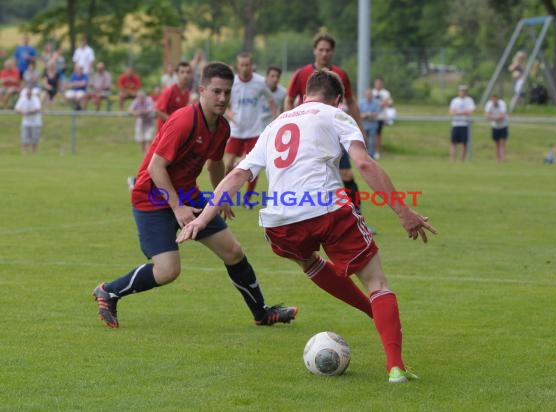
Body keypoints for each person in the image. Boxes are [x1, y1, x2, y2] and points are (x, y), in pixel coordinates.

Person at [177, 69, 437, 383]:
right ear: (338, 100)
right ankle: (395, 366)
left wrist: (203, 218)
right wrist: (403, 212)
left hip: (280, 222)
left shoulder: (275, 125)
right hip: (327, 209)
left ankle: (373, 310)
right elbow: (364, 163)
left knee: (308, 261)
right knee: (378, 283)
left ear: (303, 96)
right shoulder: (335, 115)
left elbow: (236, 176)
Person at [93, 61, 297, 329]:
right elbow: (156, 168)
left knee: (233, 252)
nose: (222, 98)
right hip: (152, 198)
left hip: (188, 196)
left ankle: (261, 313)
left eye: (227, 92)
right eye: (216, 91)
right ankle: (109, 291)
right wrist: (178, 208)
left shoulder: (222, 127)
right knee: (168, 271)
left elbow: (214, 164)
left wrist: (219, 197)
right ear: (202, 90)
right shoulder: (183, 121)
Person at [285, 32, 373, 233]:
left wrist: (360, 129)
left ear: (332, 52)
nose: (324, 53)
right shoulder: (301, 73)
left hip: (335, 133)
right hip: (307, 135)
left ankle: (357, 218)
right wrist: (288, 121)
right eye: (321, 49)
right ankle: (302, 218)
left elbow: (350, 102)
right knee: (308, 175)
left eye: (328, 50)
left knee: (347, 174)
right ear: (314, 51)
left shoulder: (340, 75)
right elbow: (290, 99)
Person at [128, 61, 194, 191]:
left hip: (175, 134)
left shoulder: (186, 93)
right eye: (182, 72)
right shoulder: (170, 91)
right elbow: (158, 110)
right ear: (177, 74)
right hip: (164, 134)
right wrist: (174, 122)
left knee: (170, 163)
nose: (185, 75)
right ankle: (136, 182)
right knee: (156, 163)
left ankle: (160, 187)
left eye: (188, 72)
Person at [223, 52, 277, 205]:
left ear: (251, 65)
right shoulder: (232, 82)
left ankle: (247, 199)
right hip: (236, 130)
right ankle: (224, 195)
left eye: (248, 65)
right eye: (242, 65)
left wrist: (276, 119)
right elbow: (222, 101)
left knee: (253, 165)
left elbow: (271, 101)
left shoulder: (260, 82)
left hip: (254, 131)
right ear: (237, 66)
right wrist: (228, 112)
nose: (245, 68)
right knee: (228, 164)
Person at [449, 85, 475, 161]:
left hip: (465, 125)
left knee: (464, 143)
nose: (462, 92)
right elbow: (451, 112)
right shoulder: (454, 100)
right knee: (453, 142)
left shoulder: (469, 100)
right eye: (461, 91)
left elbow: (470, 111)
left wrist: (459, 112)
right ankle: (452, 159)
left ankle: (462, 159)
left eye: (464, 91)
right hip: (456, 124)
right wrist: (462, 112)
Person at [15, 86, 42, 154]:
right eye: (27, 93)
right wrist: (22, 112)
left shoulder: (35, 99)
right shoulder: (22, 99)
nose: (28, 94)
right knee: (24, 138)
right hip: (26, 122)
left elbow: (38, 108)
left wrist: (29, 112)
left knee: (35, 138)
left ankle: (34, 152)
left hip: (36, 122)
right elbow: (17, 108)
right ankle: (25, 152)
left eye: (30, 92)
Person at [371, 77, 393, 159]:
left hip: (380, 116)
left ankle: (378, 152)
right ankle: (370, 151)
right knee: (370, 134)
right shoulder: (372, 92)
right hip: (371, 117)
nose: (378, 85)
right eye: (376, 83)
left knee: (378, 135)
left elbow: (386, 103)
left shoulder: (386, 93)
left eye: (379, 83)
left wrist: (379, 104)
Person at [484, 94, 509, 162]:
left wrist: (492, 117)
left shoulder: (502, 104)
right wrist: (496, 118)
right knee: (497, 143)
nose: (494, 101)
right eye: (493, 99)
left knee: (503, 143)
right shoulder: (489, 104)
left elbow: (502, 116)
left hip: (503, 125)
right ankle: (498, 159)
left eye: (495, 99)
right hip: (495, 126)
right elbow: (486, 116)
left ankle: (503, 159)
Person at [359, 88, 381, 157]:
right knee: (364, 141)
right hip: (363, 126)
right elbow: (359, 114)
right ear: (365, 95)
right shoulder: (361, 102)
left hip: (373, 125)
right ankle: (364, 155)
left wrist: (368, 115)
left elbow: (376, 114)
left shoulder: (376, 103)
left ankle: (371, 155)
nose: (369, 96)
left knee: (371, 141)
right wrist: (367, 115)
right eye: (367, 94)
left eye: (370, 94)